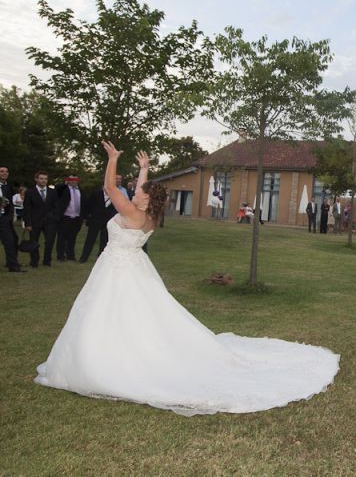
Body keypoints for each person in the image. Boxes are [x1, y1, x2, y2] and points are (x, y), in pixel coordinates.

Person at [34, 141, 339, 415]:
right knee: (134, 315)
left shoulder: (133, 213)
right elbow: (141, 193)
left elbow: (111, 190)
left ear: (142, 199)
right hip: (127, 267)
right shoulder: (147, 213)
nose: (134, 190)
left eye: (138, 189)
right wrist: (144, 170)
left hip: (119, 271)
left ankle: (108, 362)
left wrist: (112, 159)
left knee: (114, 313)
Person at [23, 171, 59, 268]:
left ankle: (47, 261)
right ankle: (34, 261)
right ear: (36, 179)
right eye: (41, 178)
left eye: (45, 179)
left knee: (50, 241)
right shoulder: (30, 192)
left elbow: (56, 206)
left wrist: (54, 217)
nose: (43, 181)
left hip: (49, 222)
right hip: (34, 222)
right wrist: (28, 224)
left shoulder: (52, 192)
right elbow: (27, 209)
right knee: (34, 242)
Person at [79, 185, 117, 263]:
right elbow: (87, 206)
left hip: (107, 222)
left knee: (104, 241)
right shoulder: (95, 194)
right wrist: (88, 217)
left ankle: (101, 259)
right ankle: (83, 258)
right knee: (90, 240)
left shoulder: (114, 196)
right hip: (95, 221)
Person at [55, 175, 85, 262]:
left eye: (75, 180)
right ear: (68, 181)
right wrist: (65, 183)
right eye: (71, 180)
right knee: (62, 237)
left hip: (77, 218)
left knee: (72, 237)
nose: (74, 182)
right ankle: (60, 256)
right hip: (65, 217)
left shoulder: (80, 191)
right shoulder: (63, 189)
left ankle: (70, 255)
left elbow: (83, 203)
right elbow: (57, 188)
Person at [0, 166, 24, 272]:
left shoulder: (8, 187)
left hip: (5, 218)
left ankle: (12, 264)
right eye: (1, 171)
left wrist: (9, 216)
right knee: (9, 241)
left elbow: (10, 203)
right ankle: (13, 265)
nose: (4, 173)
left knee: (13, 240)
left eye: (6, 171)